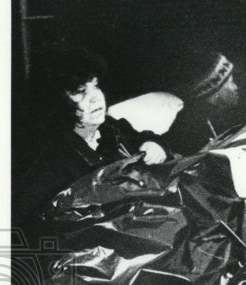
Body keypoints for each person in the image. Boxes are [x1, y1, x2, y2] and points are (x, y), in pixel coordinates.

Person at [17, 48, 168, 230]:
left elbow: (145, 139)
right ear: (55, 101)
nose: (95, 97)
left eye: (95, 86)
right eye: (81, 91)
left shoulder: (111, 128)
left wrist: (156, 145)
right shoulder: (48, 159)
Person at [165, 49, 241, 155]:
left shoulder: (234, 112)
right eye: (230, 83)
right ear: (214, 93)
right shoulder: (191, 130)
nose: (236, 87)